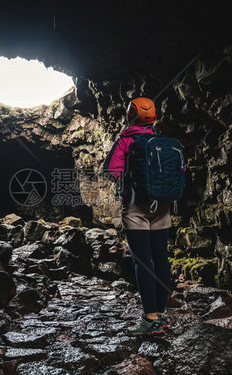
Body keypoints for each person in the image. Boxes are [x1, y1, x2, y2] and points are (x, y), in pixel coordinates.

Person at [103, 97, 172, 336]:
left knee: (143, 261)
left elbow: (112, 170)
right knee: (161, 258)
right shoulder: (164, 142)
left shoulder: (125, 141)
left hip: (135, 207)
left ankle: (150, 320)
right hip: (162, 207)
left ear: (129, 115)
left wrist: (129, 181)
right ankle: (161, 315)